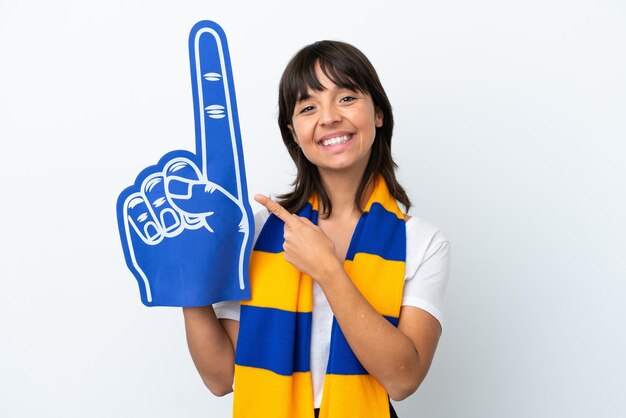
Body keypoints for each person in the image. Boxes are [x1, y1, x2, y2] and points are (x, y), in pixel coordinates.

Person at [182, 40, 450, 418]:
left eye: (346, 98)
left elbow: (402, 380)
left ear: (378, 113)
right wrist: (185, 281)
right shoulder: (257, 234)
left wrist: (327, 269)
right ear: (293, 132)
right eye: (308, 107)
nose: (328, 118)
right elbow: (221, 378)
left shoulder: (421, 242)